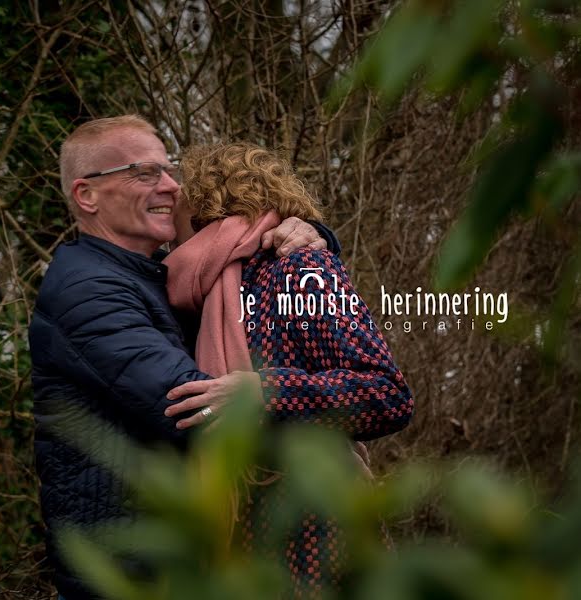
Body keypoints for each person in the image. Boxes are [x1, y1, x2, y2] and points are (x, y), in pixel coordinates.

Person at [29, 116, 340, 600]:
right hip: (130, 566)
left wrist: (309, 236)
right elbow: (197, 405)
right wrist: (324, 406)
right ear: (87, 195)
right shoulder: (87, 290)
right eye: (144, 173)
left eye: (169, 170)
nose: (172, 186)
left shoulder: (155, 279)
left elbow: (236, 266)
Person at [162, 141, 414, 597]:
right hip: (238, 532)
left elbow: (387, 393)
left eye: (179, 197)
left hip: (316, 524)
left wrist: (268, 392)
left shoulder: (301, 267)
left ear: (203, 202)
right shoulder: (194, 292)